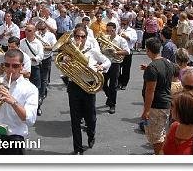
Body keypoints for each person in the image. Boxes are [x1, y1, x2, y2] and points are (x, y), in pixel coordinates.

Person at [63, 25, 110, 155]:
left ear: (86, 37)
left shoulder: (92, 50)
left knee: (91, 117)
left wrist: (101, 66)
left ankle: (91, 134)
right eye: (77, 36)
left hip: (89, 86)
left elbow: (107, 61)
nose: (79, 39)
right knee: (75, 119)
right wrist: (65, 61)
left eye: (82, 36)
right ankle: (77, 148)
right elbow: (62, 67)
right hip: (74, 86)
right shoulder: (70, 52)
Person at [0, 49, 39, 155]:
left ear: (22, 66)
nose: (10, 69)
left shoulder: (30, 89)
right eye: (7, 65)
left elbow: (30, 120)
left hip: (13, 141)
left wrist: (13, 102)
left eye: (15, 66)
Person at [141, 37, 176, 155]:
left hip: (156, 105)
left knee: (156, 138)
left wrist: (146, 111)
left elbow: (150, 91)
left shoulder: (152, 67)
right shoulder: (167, 62)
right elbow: (164, 74)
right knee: (160, 133)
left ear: (148, 50)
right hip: (166, 102)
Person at [102, 22, 129, 114]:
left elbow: (127, 52)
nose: (110, 32)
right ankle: (110, 97)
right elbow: (101, 50)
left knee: (113, 85)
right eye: (108, 30)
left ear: (115, 29)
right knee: (102, 83)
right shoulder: (105, 38)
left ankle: (112, 104)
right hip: (105, 63)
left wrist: (116, 52)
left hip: (115, 64)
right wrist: (105, 50)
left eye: (112, 30)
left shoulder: (121, 40)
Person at [35, 21, 56, 116]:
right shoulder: (35, 34)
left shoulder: (50, 35)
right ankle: (38, 95)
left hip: (46, 58)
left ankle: (40, 98)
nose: (40, 31)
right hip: (36, 59)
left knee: (43, 79)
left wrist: (44, 48)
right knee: (37, 79)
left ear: (46, 28)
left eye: (42, 29)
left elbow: (55, 47)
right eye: (38, 29)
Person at [19, 24, 44, 100]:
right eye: (26, 30)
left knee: (36, 86)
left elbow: (41, 55)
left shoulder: (38, 43)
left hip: (34, 67)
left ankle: (37, 104)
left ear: (34, 31)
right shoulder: (22, 42)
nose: (26, 32)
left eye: (29, 31)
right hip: (25, 68)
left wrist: (34, 58)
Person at [117, 15, 137, 90]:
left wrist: (127, 37)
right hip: (120, 50)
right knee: (118, 68)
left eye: (124, 24)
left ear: (128, 24)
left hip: (128, 51)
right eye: (122, 24)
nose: (123, 26)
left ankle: (124, 83)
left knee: (126, 68)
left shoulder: (132, 31)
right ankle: (119, 82)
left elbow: (134, 40)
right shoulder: (119, 30)